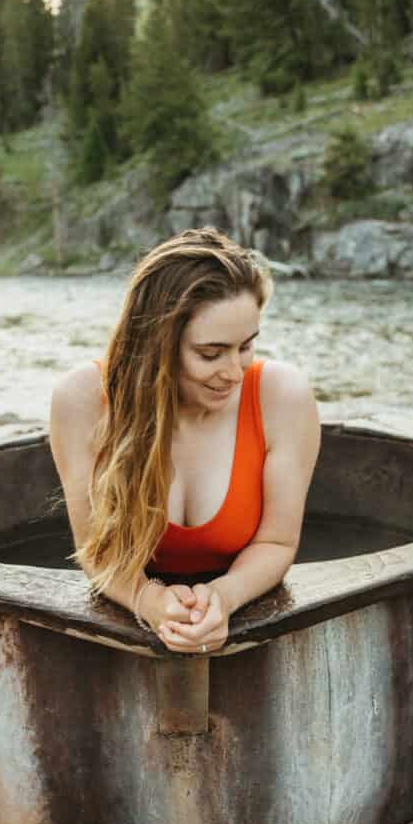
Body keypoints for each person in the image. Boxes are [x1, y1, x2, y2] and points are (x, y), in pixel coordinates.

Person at [49, 227, 320, 653]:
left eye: (246, 346)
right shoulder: (81, 399)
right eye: (211, 354)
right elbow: (94, 550)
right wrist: (149, 600)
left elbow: (277, 542)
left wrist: (224, 598)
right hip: (126, 623)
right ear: (156, 346)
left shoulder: (282, 396)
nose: (233, 371)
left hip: (244, 616)